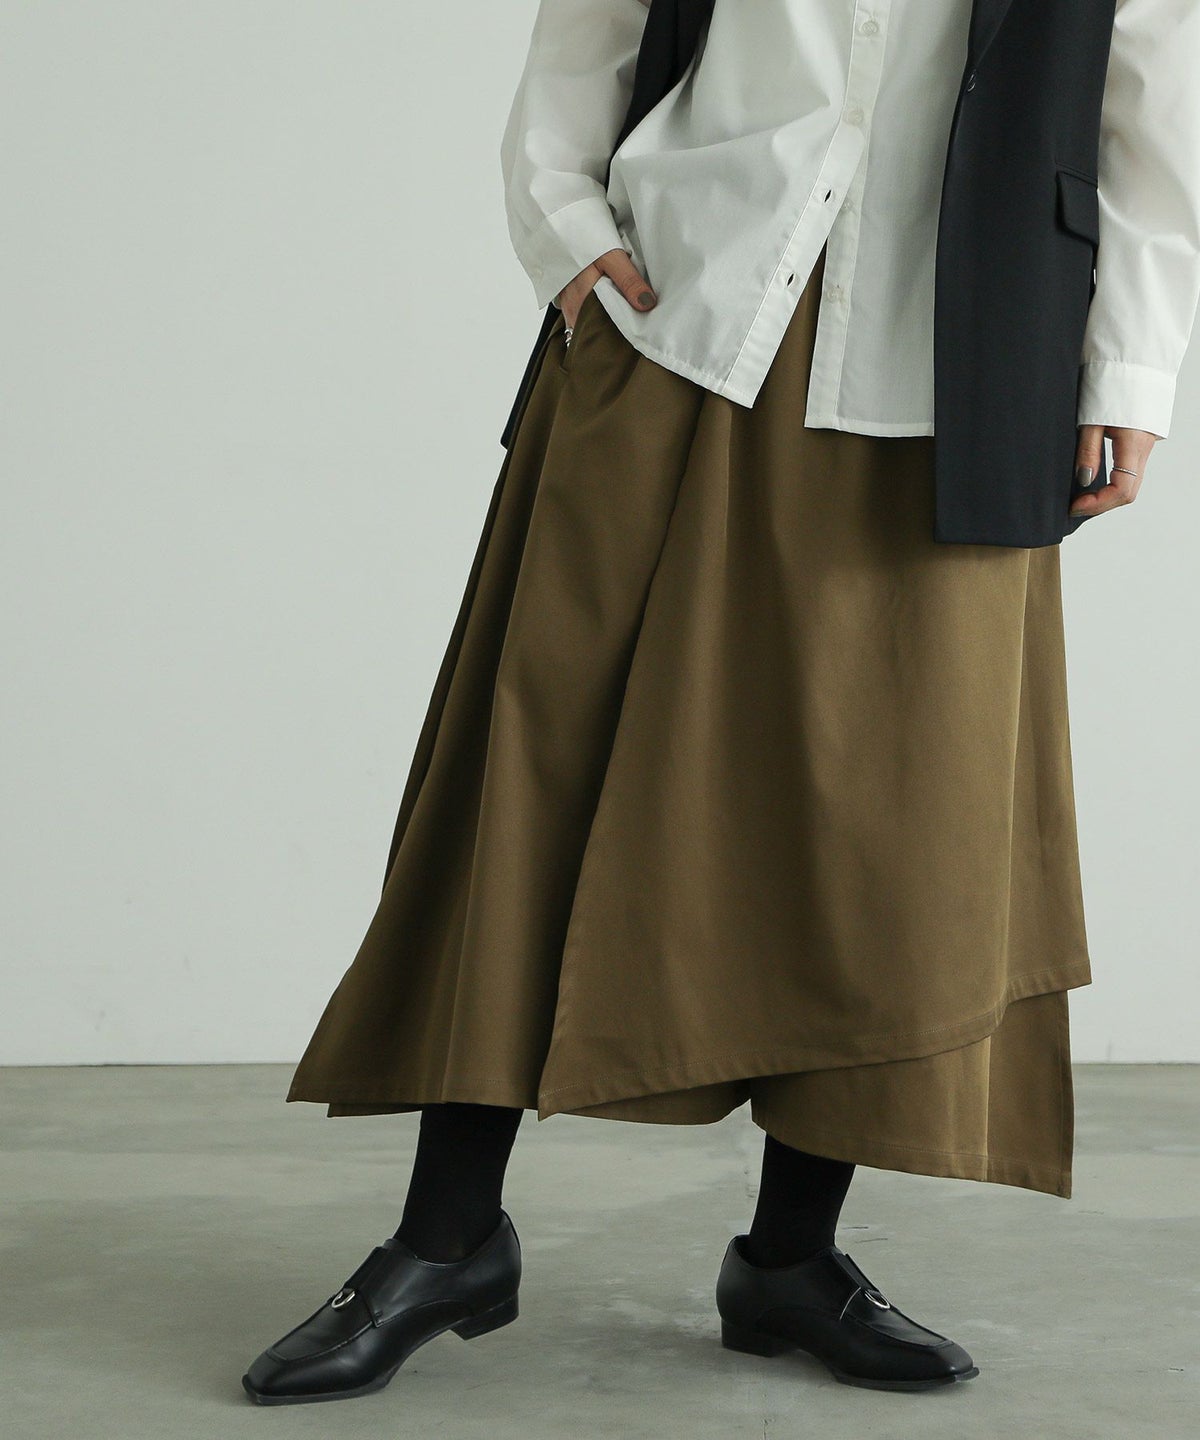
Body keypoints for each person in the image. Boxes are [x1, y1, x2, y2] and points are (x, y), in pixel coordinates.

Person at [242, 0, 1200, 1405]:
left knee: (889, 825)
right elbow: (597, 23)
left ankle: (791, 1259)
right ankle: (446, 1241)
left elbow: (1150, 96)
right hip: (678, 314)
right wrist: (563, 224)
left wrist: (1130, 366)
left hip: (963, 355)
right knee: (540, 768)